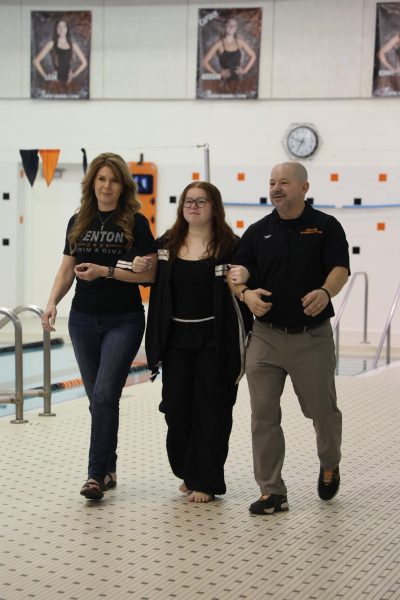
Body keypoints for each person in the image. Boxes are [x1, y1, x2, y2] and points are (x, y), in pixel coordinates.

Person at [228, 162, 350, 515]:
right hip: (265, 337)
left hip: (311, 337)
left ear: (303, 187)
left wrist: (326, 293)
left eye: (284, 182)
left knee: (321, 412)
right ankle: (272, 491)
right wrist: (245, 294)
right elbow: (238, 272)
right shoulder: (258, 230)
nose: (276, 188)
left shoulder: (326, 227)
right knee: (263, 414)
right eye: (272, 182)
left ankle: (329, 462)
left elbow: (340, 268)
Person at [42, 152, 157, 500]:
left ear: (123, 186)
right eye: (101, 179)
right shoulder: (78, 221)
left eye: (114, 180)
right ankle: (108, 467)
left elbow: (149, 274)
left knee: (106, 394)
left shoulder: (135, 224)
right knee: (98, 399)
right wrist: (51, 302)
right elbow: (66, 270)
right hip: (82, 319)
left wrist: (106, 271)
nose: (107, 186)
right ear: (92, 182)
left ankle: (94, 476)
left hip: (123, 318)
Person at [142, 181, 253, 503]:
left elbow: (250, 276)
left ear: (214, 207)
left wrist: (245, 275)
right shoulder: (167, 243)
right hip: (176, 338)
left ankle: (205, 480)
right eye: (188, 201)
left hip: (215, 339)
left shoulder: (231, 246)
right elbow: (148, 274)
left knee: (213, 409)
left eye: (201, 201)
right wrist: (138, 266)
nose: (193, 206)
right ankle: (188, 470)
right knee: (176, 409)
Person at [33, 18, 88, 86]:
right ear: (56, 29)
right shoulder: (51, 44)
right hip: (55, 81)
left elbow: (84, 63)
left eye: (64, 27)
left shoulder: (73, 45)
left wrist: (73, 75)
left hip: (69, 81)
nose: (61, 29)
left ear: (67, 29)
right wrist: (46, 77)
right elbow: (36, 61)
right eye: (59, 27)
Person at [202, 17, 256, 82]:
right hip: (223, 82)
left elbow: (253, 56)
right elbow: (204, 62)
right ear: (225, 26)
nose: (231, 27)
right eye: (229, 24)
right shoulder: (219, 44)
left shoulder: (240, 42)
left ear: (236, 28)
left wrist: (245, 70)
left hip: (238, 81)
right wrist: (217, 74)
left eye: (234, 25)